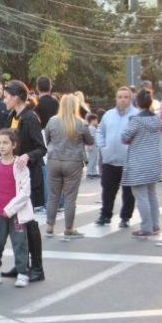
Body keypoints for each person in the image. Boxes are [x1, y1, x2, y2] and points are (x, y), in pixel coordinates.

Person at [4, 80, 46, 282]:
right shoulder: (13, 116)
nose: (4, 100)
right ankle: (22, 265)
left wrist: (27, 156)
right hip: (15, 177)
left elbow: (41, 148)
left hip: (28, 177)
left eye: (6, 96)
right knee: (17, 223)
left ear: (16, 97)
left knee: (28, 223)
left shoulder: (30, 118)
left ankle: (37, 267)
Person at [0, 129, 34, 287]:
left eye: (5, 142)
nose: (1, 146)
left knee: (20, 242)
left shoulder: (20, 165)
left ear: (13, 145)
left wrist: (10, 209)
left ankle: (22, 272)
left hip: (16, 213)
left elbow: (25, 192)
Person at [44, 94, 94, 238]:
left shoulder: (52, 121)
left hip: (54, 160)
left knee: (53, 196)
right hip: (73, 162)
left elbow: (47, 139)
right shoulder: (80, 123)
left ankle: (49, 226)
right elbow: (90, 141)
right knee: (70, 198)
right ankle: (68, 228)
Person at [121, 89, 162, 238]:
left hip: (139, 162)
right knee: (152, 194)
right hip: (154, 160)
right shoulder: (157, 120)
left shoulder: (136, 120)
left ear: (137, 102)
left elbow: (125, 137)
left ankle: (146, 228)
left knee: (141, 196)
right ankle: (155, 224)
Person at [95, 87, 138, 227]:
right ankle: (105, 215)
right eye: (120, 97)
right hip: (109, 160)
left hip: (128, 161)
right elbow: (99, 132)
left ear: (130, 99)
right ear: (116, 98)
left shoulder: (136, 115)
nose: (122, 99)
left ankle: (125, 217)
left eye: (126, 97)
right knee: (108, 190)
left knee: (128, 192)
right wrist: (102, 147)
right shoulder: (108, 115)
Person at [85, 114, 101, 179]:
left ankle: (93, 172)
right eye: (96, 120)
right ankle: (89, 173)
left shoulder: (93, 128)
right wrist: (90, 145)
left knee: (94, 159)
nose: (97, 121)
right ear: (92, 120)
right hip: (92, 146)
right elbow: (91, 137)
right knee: (91, 160)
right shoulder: (91, 128)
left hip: (94, 146)